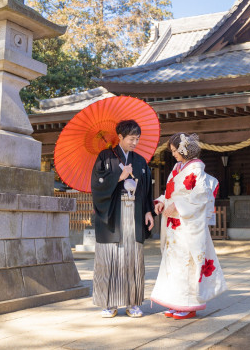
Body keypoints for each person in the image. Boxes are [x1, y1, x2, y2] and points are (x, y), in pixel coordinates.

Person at [151, 133, 227, 320]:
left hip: (187, 224)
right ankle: (176, 301)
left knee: (187, 263)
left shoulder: (196, 169)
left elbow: (200, 196)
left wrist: (177, 205)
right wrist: (162, 201)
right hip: (175, 224)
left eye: (176, 151)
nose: (174, 154)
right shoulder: (178, 167)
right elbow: (172, 192)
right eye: (173, 151)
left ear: (184, 150)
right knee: (174, 264)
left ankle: (189, 304)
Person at [90, 119, 155, 318]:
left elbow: (145, 190)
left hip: (134, 213)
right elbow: (97, 184)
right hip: (112, 214)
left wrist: (148, 211)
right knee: (110, 257)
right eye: (131, 138)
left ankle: (133, 302)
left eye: (137, 139)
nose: (135, 142)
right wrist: (118, 175)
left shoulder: (140, 161)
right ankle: (108, 304)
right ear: (120, 137)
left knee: (132, 258)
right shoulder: (105, 157)